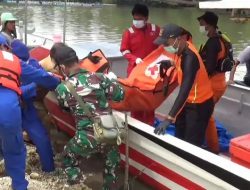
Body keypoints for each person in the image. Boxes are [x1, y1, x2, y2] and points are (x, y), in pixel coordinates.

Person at [52, 43, 124, 189]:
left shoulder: (63, 88)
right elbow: (120, 96)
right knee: (112, 168)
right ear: (78, 60)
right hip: (110, 134)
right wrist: (113, 81)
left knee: (67, 157)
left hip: (87, 138)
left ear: (62, 67)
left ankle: (77, 185)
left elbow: (64, 107)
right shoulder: (100, 78)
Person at [0, 35, 60, 190]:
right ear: (6, 48)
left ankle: (48, 168)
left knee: (38, 138)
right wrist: (59, 82)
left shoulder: (27, 62)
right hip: (12, 107)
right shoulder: (13, 60)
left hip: (22, 107)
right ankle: (23, 183)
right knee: (15, 150)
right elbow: (43, 78)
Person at [153, 24, 214, 148]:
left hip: (199, 104)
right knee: (180, 133)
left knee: (191, 144)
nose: (164, 46)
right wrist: (170, 63)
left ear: (178, 39)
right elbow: (180, 62)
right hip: (188, 102)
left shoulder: (190, 58)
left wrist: (168, 119)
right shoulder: (182, 48)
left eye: (166, 43)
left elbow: (184, 91)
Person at [120, 3, 160, 126]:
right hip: (134, 71)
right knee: (136, 100)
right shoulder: (129, 32)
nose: (136, 21)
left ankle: (149, 124)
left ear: (146, 18)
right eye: (135, 19)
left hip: (151, 72)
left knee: (149, 100)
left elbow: (163, 47)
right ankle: (136, 124)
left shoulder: (156, 29)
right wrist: (134, 59)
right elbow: (124, 50)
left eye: (139, 19)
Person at [198, 11, 230, 153]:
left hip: (212, 85)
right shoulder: (222, 38)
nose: (200, 25)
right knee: (206, 113)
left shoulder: (212, 43)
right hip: (221, 82)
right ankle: (210, 142)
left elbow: (209, 67)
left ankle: (213, 148)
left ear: (209, 25)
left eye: (202, 23)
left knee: (206, 115)